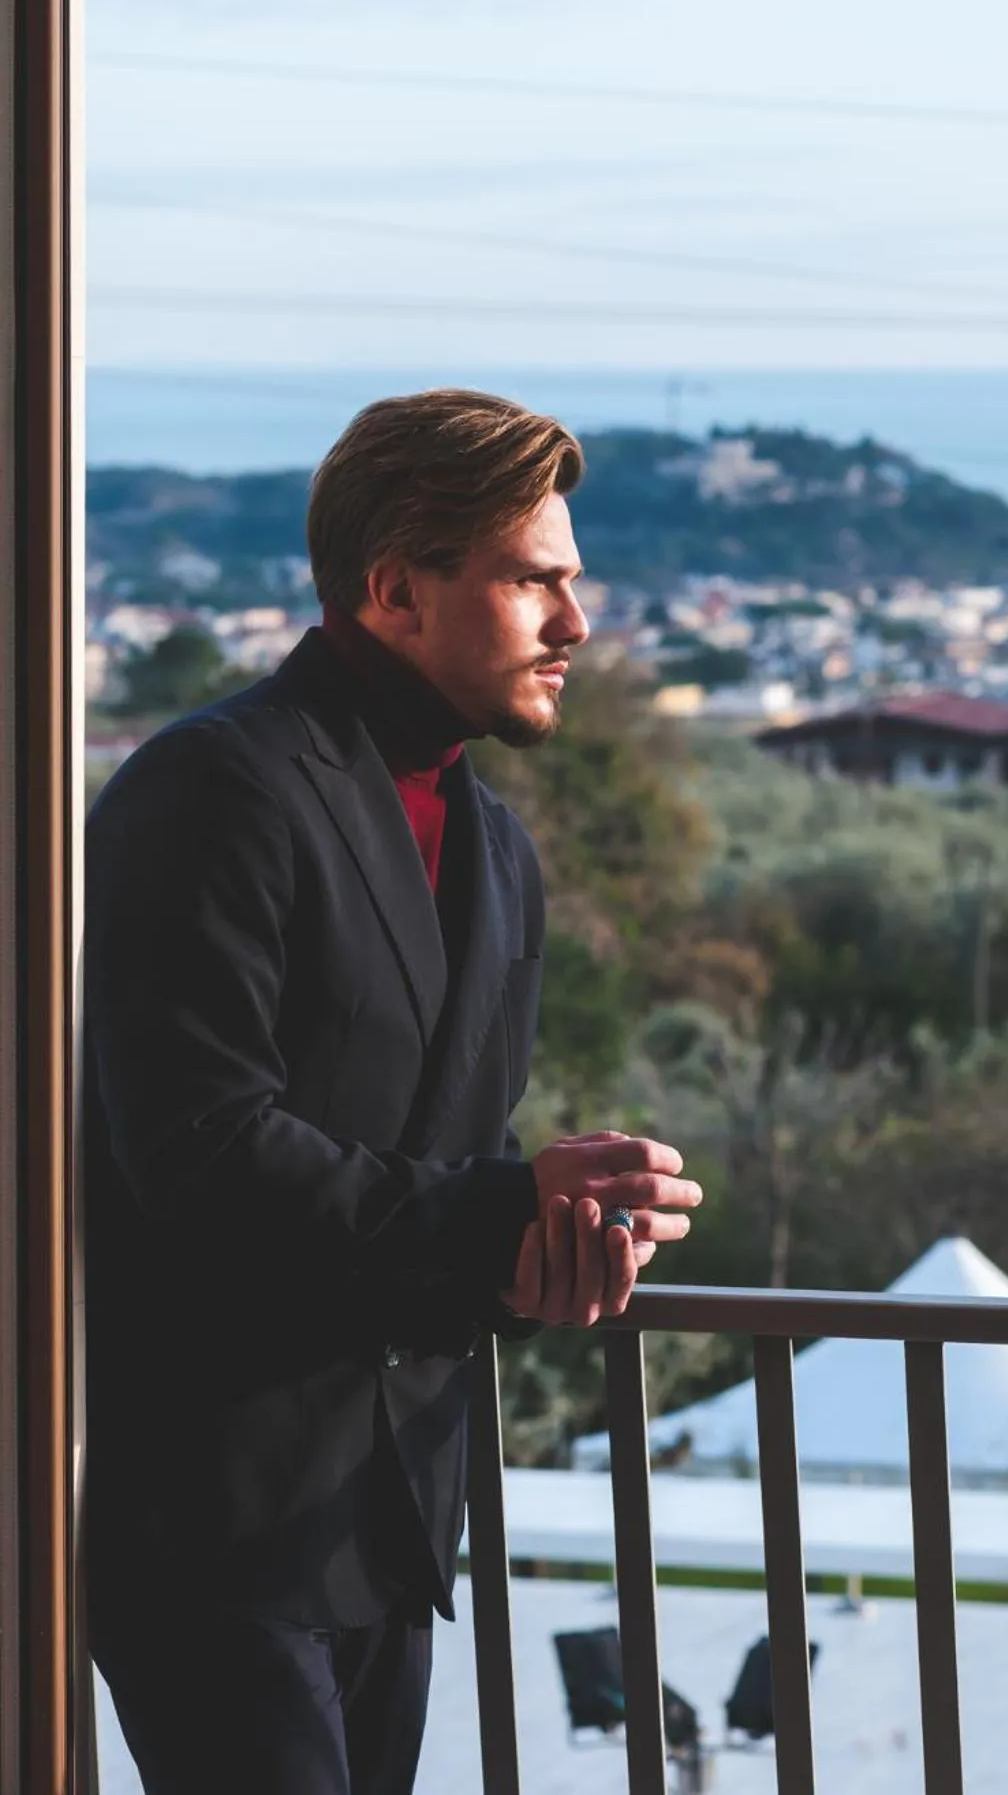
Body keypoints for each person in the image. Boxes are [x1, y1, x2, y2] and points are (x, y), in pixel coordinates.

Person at [83, 389, 704, 1795]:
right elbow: (198, 1148)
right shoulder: (208, 792)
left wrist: (542, 1253)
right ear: (394, 592)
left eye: (573, 583)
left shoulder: (497, 856)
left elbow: (449, 1171)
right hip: (214, 1525)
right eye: (535, 580)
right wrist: (499, 1207)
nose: (577, 625)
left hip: (388, 1527)